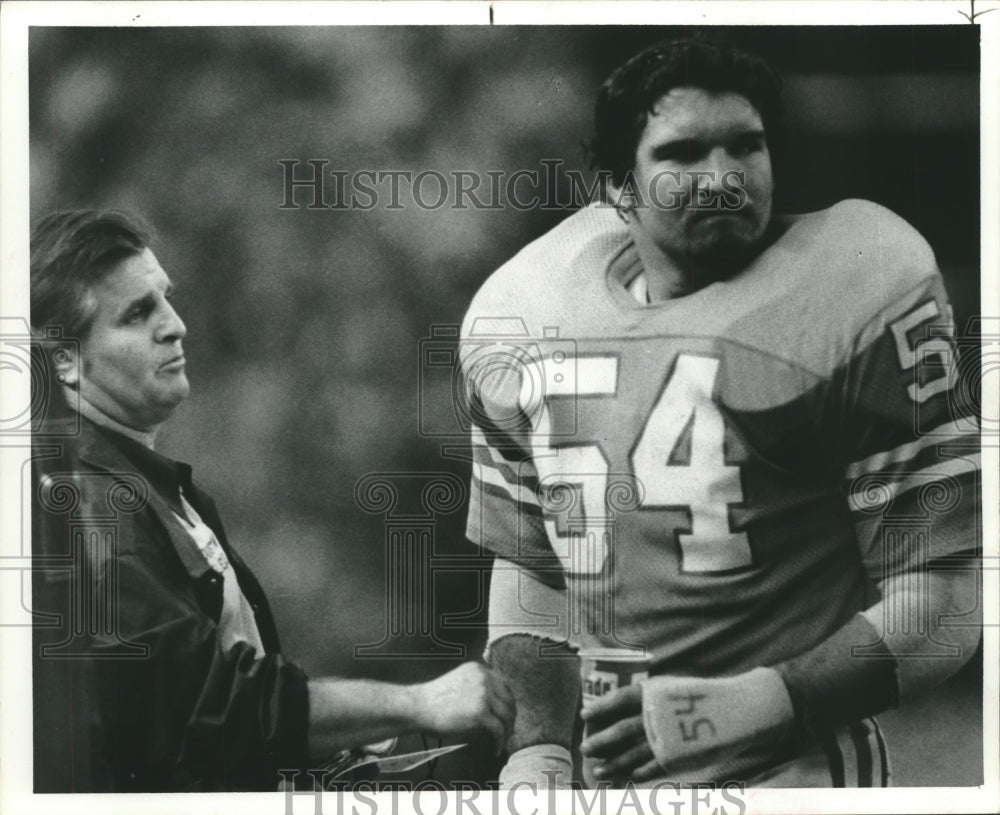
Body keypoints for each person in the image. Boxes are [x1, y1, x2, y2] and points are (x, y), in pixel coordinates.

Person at [461, 37, 981, 788]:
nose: (724, 176)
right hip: (608, 778)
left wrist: (761, 700)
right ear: (617, 187)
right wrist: (536, 748)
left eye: (747, 146)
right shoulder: (532, 314)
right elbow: (531, 586)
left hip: (792, 770)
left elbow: (948, 599)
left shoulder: (853, 297)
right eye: (684, 153)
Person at [29, 209, 514, 792]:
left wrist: (341, 729)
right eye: (138, 314)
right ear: (63, 359)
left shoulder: (137, 483)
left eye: (165, 298)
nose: (175, 325)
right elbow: (216, 711)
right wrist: (418, 704)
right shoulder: (94, 504)